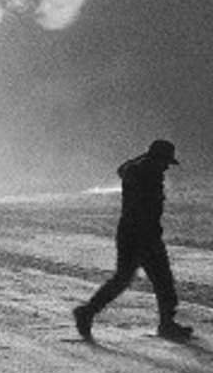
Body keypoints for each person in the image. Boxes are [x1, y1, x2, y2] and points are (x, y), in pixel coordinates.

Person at [74, 139, 193, 342]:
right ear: (156, 159)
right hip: (140, 235)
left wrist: (144, 156)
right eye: (164, 161)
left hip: (135, 233)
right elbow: (144, 209)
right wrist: (148, 239)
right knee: (158, 281)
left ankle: (88, 312)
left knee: (132, 279)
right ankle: (166, 324)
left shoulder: (137, 170)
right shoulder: (146, 175)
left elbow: (122, 168)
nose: (166, 167)